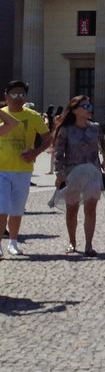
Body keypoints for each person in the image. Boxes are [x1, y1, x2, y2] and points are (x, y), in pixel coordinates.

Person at [51, 96, 105, 256]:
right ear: (75, 110)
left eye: (90, 104)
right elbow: (58, 153)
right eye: (85, 105)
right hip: (72, 173)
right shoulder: (65, 129)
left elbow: (103, 144)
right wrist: (59, 173)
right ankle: (72, 242)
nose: (89, 108)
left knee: (91, 208)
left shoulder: (95, 127)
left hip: (92, 172)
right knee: (72, 209)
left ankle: (89, 245)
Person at [0, 80, 50, 256]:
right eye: (14, 94)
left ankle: (13, 242)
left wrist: (36, 152)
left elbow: (48, 138)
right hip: (1, 168)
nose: (18, 98)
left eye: (22, 94)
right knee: (2, 207)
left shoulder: (33, 116)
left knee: (16, 208)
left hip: (23, 168)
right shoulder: (2, 114)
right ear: (6, 96)